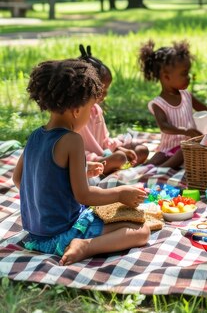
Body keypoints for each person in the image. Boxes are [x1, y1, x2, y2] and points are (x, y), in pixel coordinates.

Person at [12, 59, 150, 266]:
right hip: (63, 234)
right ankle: (86, 246)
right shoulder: (72, 140)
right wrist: (121, 194)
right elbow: (84, 195)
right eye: (89, 108)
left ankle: (82, 241)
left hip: (35, 236)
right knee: (141, 230)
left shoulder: (34, 136)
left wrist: (80, 173)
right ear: (77, 110)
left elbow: (18, 178)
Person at [138, 39, 207, 168]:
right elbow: (164, 127)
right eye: (184, 74)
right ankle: (157, 169)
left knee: (184, 151)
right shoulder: (158, 103)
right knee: (154, 161)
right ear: (166, 77)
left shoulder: (186, 95)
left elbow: (206, 110)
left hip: (187, 147)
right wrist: (186, 131)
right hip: (167, 149)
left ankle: (161, 168)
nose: (189, 77)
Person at [78, 45, 149, 175]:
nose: (104, 95)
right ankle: (111, 168)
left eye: (106, 91)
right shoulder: (75, 114)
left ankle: (115, 167)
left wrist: (120, 148)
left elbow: (105, 141)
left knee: (141, 150)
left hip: (105, 155)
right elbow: (75, 152)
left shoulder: (96, 110)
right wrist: (104, 157)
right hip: (89, 162)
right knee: (120, 158)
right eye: (101, 91)